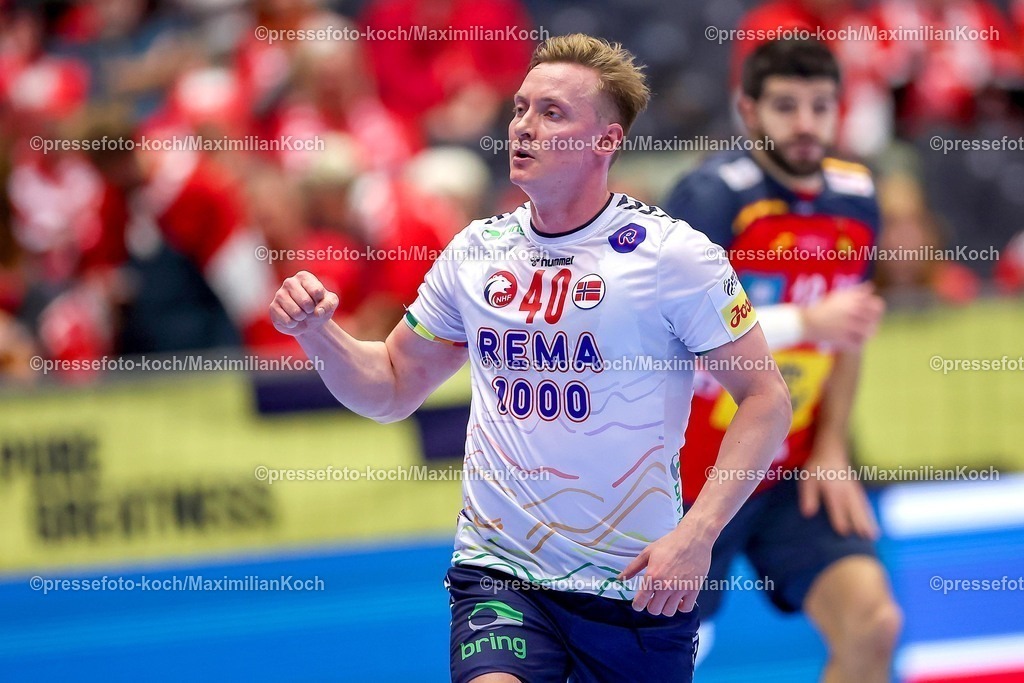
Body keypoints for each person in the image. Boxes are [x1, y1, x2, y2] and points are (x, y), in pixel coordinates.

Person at [270, 34, 792, 683]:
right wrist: (321, 335)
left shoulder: (671, 256)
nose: (523, 127)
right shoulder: (475, 253)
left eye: (552, 114)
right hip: (500, 571)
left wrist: (699, 533)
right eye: (520, 109)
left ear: (604, 140)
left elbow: (768, 399)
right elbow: (393, 388)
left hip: (633, 584)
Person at [664, 39, 901, 682]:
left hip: (791, 471)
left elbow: (849, 333)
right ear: (748, 109)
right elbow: (667, 331)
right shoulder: (712, 197)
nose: (805, 124)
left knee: (874, 623)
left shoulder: (855, 197)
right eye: (786, 106)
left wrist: (830, 447)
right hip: (688, 481)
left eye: (821, 106)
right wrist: (805, 321)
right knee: (661, 663)